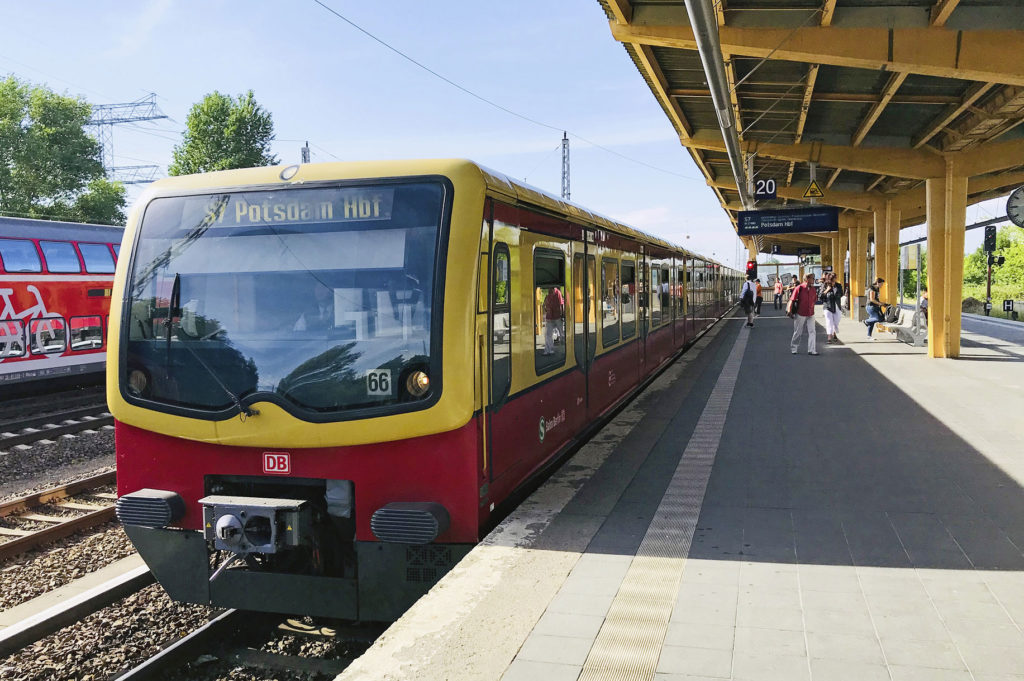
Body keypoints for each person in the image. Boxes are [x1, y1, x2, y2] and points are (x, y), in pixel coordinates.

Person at [788, 272, 818, 355]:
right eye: (812, 278)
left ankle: (812, 350)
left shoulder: (813, 289)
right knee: (798, 331)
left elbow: (814, 299)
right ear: (807, 279)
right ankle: (794, 348)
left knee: (812, 331)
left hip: (811, 312)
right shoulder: (799, 288)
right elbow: (792, 299)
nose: (814, 279)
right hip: (800, 312)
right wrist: (789, 311)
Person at [819, 272, 844, 344]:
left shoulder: (838, 285)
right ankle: (829, 337)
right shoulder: (824, 285)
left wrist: (835, 289)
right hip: (828, 306)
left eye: (835, 279)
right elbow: (820, 296)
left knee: (836, 321)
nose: (834, 281)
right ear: (829, 279)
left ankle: (834, 332)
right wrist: (827, 290)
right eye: (832, 280)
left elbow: (841, 294)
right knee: (829, 321)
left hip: (837, 306)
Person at [543, 286, 564, 355]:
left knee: (561, 333)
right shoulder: (548, 295)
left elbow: (561, 304)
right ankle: (548, 349)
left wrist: (562, 314)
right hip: (550, 317)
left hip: (557, 316)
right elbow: (545, 305)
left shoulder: (558, 293)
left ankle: (564, 347)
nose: (549, 290)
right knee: (548, 334)